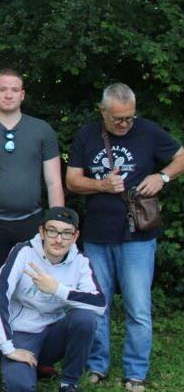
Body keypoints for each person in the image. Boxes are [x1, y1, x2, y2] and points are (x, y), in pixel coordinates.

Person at [65, 83, 184, 391]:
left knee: (138, 308)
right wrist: (101, 186)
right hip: (97, 235)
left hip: (139, 236)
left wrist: (162, 176)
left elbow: (181, 155)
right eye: (117, 118)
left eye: (129, 117)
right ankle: (97, 366)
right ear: (102, 111)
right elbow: (72, 181)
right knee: (97, 305)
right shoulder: (86, 135)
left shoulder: (148, 131)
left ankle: (136, 372)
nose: (124, 124)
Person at [0, 68, 64, 282]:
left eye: (15, 90)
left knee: (31, 285)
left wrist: (56, 228)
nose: (9, 94)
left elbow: (53, 183)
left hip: (30, 222)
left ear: (22, 95)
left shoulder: (42, 130)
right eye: (3, 89)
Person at [0, 207, 106, 392]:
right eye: (52, 231)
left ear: (75, 237)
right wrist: (7, 347)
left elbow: (99, 303)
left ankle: (69, 383)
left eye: (66, 233)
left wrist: (57, 289)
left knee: (85, 319)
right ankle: (30, 367)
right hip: (23, 332)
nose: (59, 239)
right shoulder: (23, 252)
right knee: (19, 387)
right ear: (42, 231)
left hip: (55, 333)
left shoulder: (80, 261)